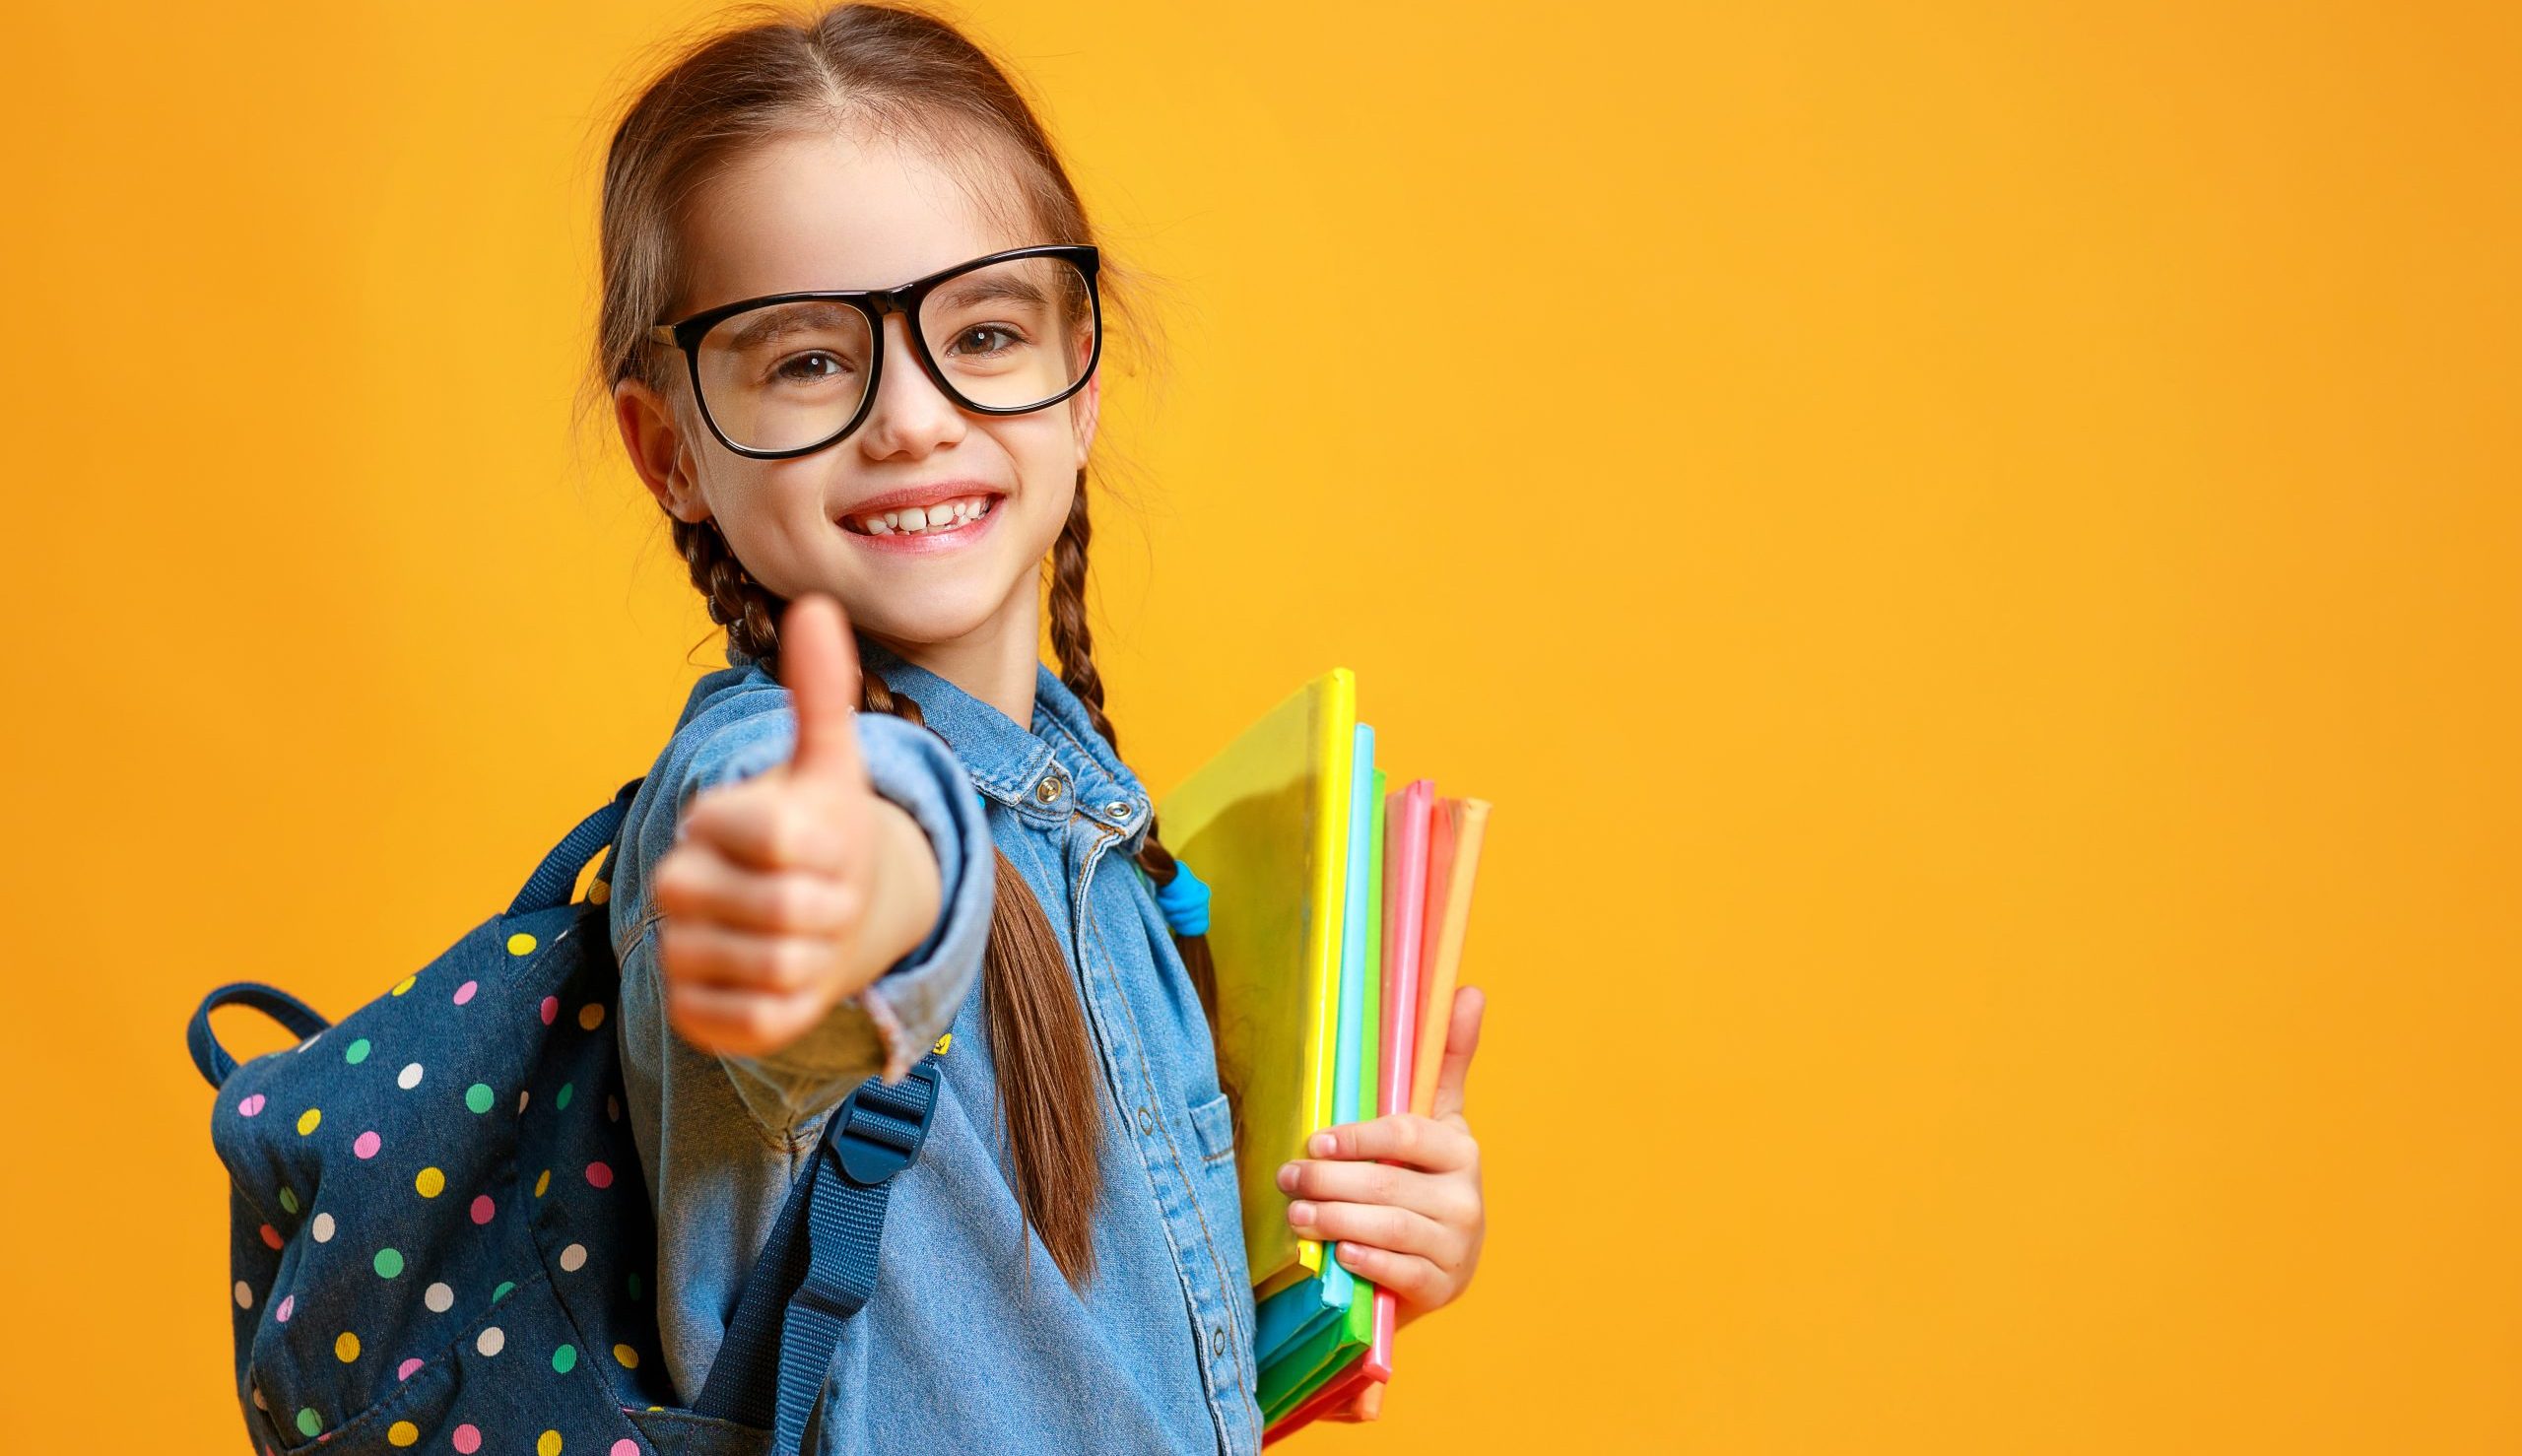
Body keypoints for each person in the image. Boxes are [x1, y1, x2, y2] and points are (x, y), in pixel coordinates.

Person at [590, 5, 1488, 1449]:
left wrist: (1364, 1256)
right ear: (672, 449)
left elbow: (1119, 1370)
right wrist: (843, 896)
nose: (912, 418)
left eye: (986, 332)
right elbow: (861, 891)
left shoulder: (1105, 830)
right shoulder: (762, 782)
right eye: (810, 360)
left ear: (1080, 375)